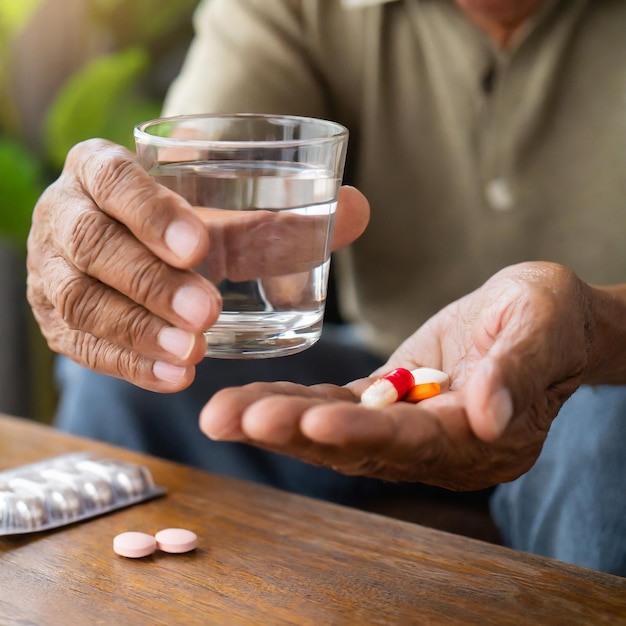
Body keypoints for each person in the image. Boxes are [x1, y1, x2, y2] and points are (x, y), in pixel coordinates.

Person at [26, 0, 626, 576]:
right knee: (129, 373)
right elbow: (196, 161)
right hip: (391, 361)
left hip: (602, 367)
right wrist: (119, 234)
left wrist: (599, 328)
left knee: (608, 432)